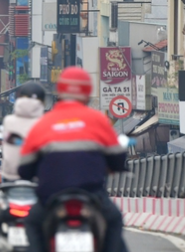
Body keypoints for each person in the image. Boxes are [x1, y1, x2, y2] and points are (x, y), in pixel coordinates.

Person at [19, 67, 128, 252]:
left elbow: (25, 168)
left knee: (32, 222)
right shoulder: (98, 119)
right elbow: (117, 159)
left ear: (60, 91)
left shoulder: (44, 123)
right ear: (87, 93)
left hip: (51, 198)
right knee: (115, 220)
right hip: (92, 195)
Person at [0, 81, 46, 182]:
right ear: (42, 101)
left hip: (9, 177)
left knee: (0, 196)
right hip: (35, 178)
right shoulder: (45, 122)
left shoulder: (8, 121)